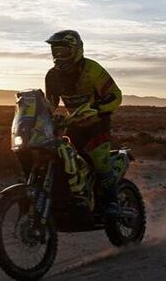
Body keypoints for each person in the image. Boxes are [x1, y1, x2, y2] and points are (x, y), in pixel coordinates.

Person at [44, 30, 122, 216]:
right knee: (65, 158)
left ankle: (112, 202)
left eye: (63, 50)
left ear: (76, 50)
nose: (59, 55)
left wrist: (98, 108)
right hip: (74, 123)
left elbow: (115, 95)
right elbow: (51, 103)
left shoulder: (92, 70)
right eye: (56, 51)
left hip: (97, 122)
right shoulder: (52, 76)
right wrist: (42, 116)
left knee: (99, 160)